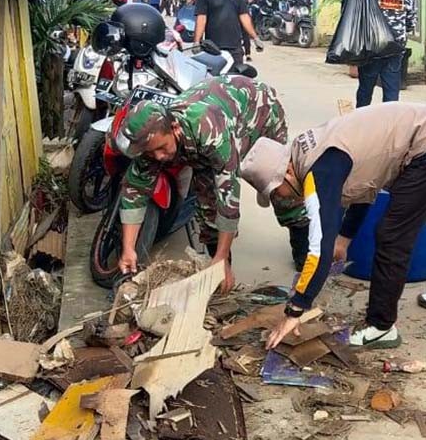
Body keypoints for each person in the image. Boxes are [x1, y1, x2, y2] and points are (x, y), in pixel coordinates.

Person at [239, 102, 426, 350]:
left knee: (392, 236)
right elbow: (364, 184)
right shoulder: (308, 152)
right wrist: (345, 238)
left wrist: (296, 309)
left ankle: (381, 327)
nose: (283, 199)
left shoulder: (318, 172)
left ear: (286, 173)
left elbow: (319, 250)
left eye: (277, 193)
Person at [116, 76, 310, 291]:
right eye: (151, 152)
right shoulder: (151, 143)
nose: (159, 157)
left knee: (278, 186)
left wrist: (222, 257)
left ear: (175, 128)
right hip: (216, 126)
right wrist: (128, 248)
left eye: (162, 148)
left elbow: (228, 198)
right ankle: (219, 275)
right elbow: (135, 191)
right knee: (208, 209)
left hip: (260, 113)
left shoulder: (209, 132)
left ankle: (304, 251)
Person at [343, 0, 415, 107]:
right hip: (395, 49)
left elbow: (348, 12)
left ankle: (362, 121)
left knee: (365, 89)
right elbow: (411, 23)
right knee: (392, 91)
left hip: (371, 48)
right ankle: (388, 125)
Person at [195, 0, 260, 64]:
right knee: (214, 80)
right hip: (213, 48)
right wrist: (197, 41)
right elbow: (201, 19)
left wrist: (255, 37)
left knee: (236, 79)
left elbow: (244, 17)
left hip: (235, 48)